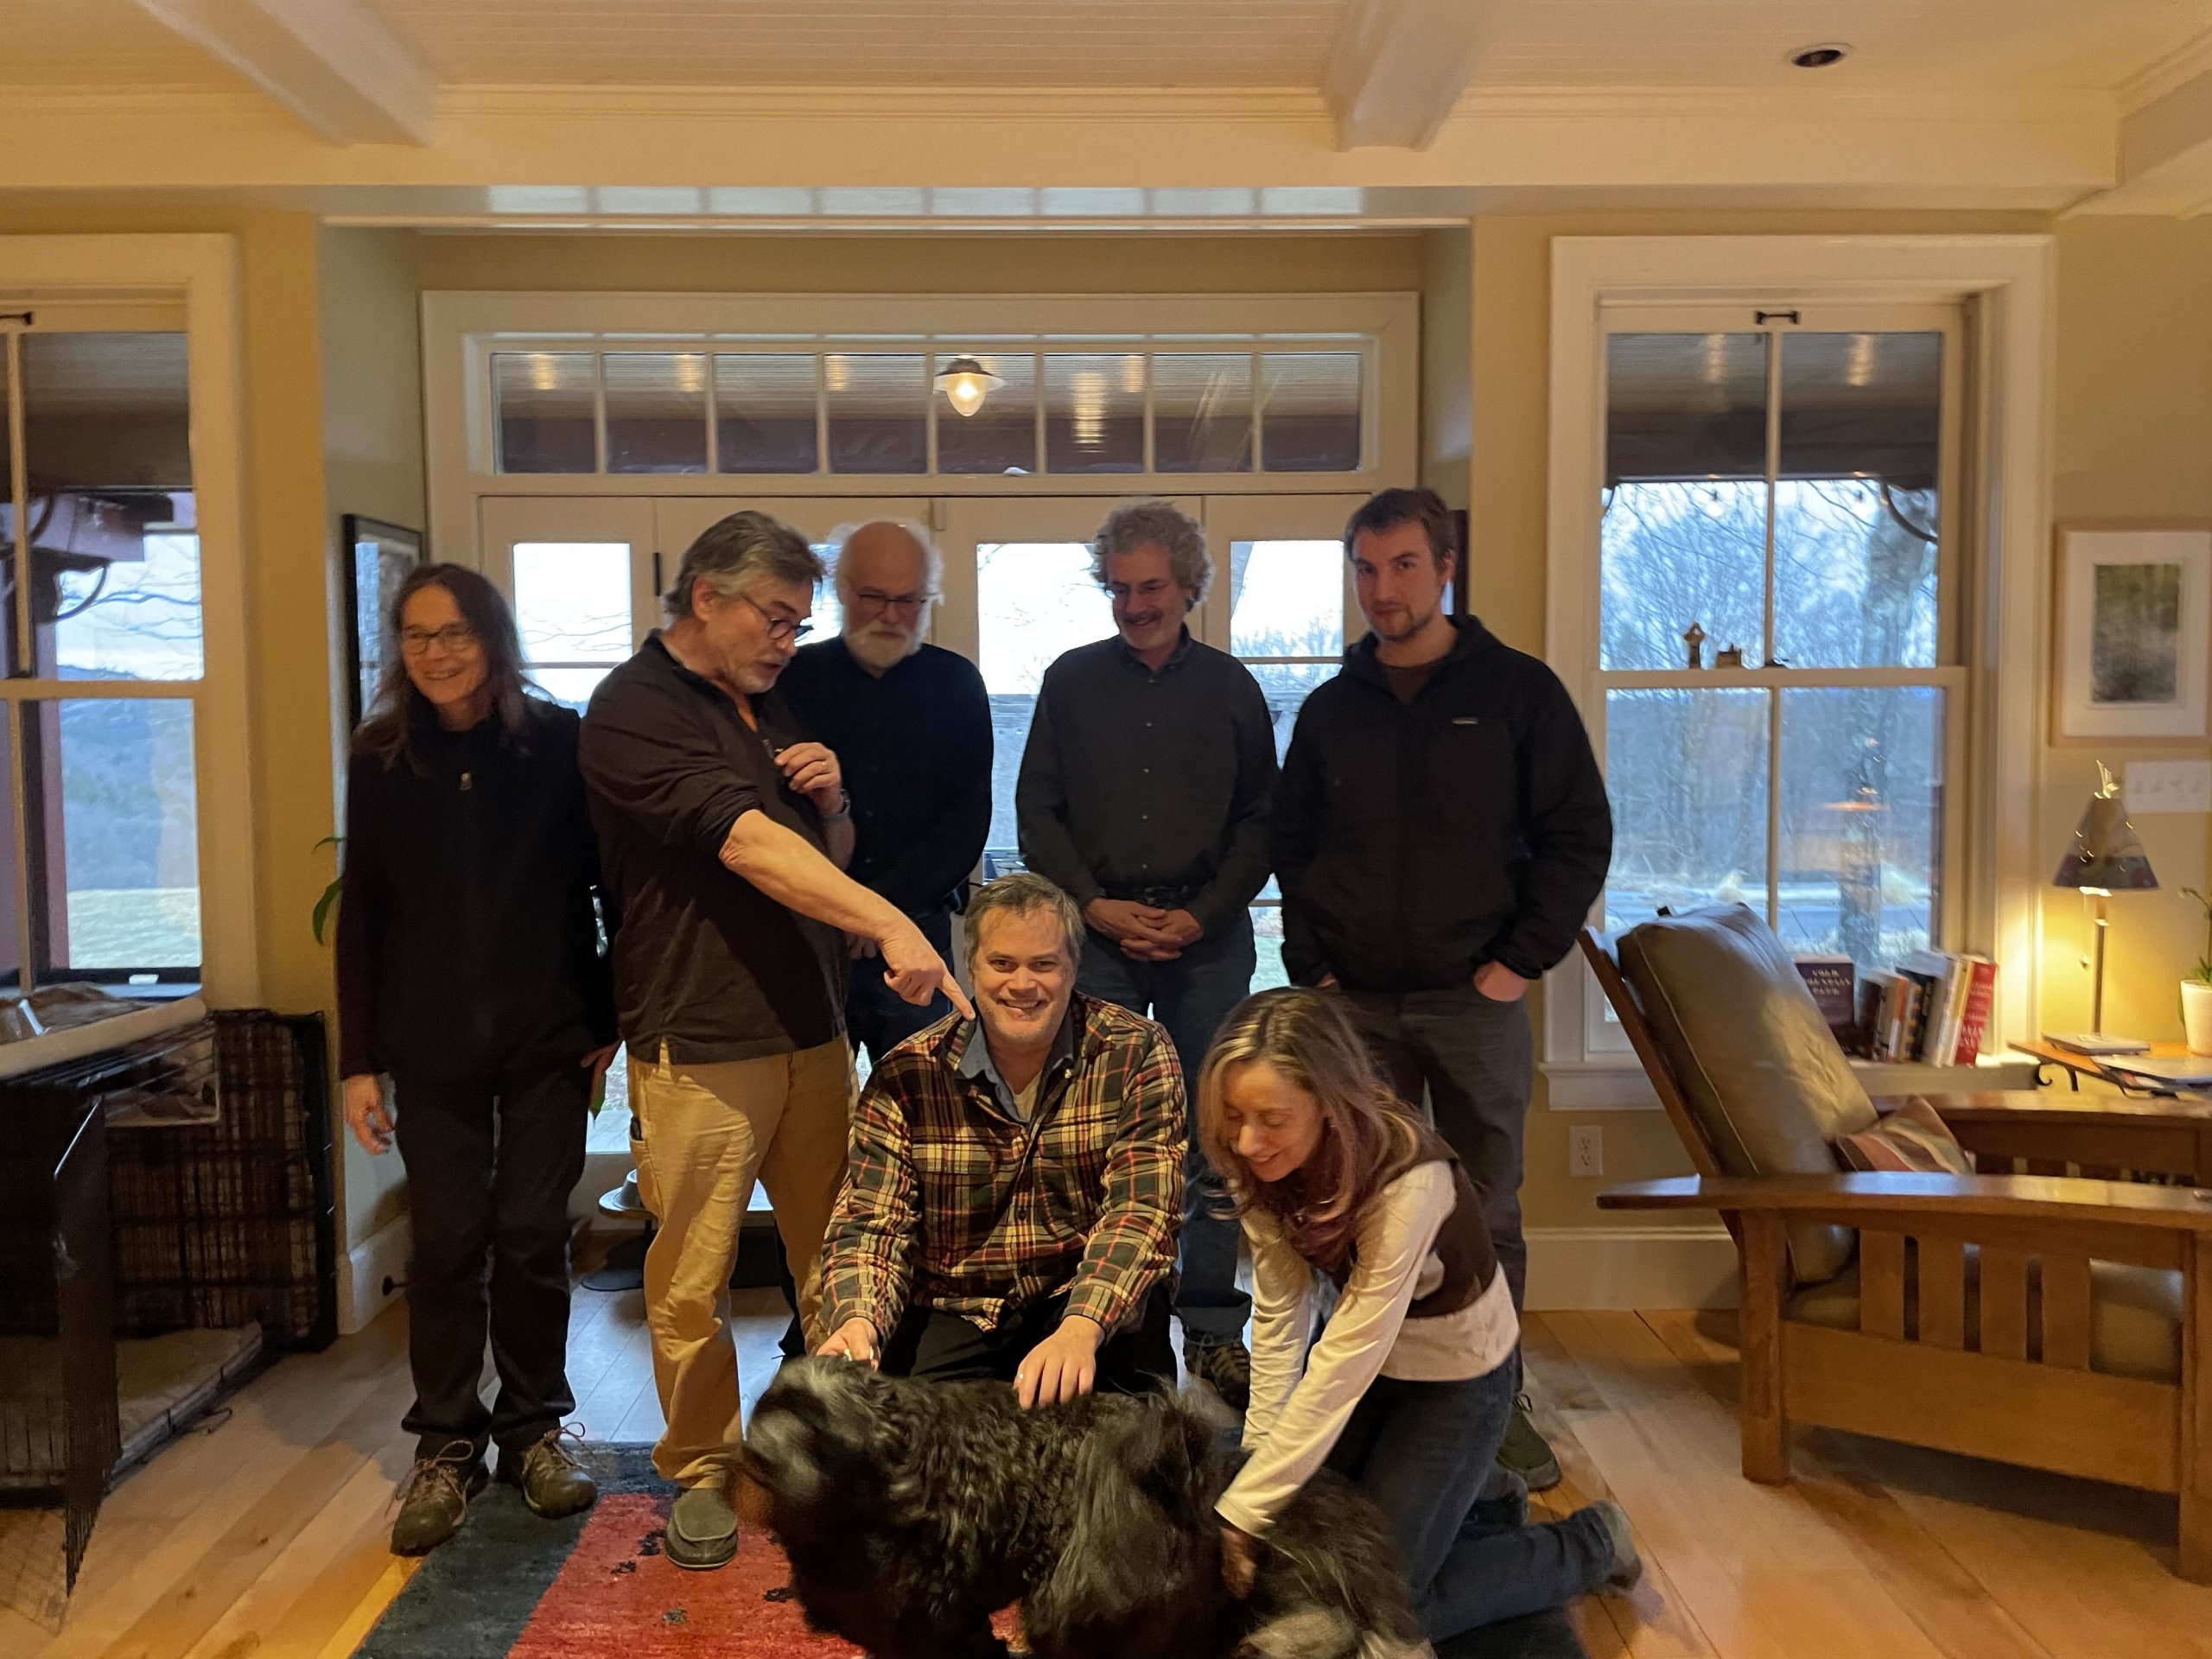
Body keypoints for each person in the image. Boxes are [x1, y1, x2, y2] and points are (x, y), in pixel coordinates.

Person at [579, 510, 970, 1572]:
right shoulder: (633, 708)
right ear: (706, 596)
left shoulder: (763, 706)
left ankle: (838, 1450)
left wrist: (835, 802)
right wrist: (891, 922)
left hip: (811, 1032)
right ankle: (703, 1467)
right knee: (692, 1278)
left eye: (799, 623)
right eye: (777, 617)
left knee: (840, 1260)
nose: (789, 641)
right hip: (698, 1040)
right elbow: (746, 845)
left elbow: (816, 848)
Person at [1272, 486, 1611, 1491]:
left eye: (1404, 566)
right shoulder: (1331, 711)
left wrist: (1518, 963)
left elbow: (1578, 834)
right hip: (1353, 1007)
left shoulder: (1518, 693)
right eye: (1366, 570)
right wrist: (1312, 966)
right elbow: (1293, 845)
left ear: (1445, 568)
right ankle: (1370, 1395)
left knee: (1483, 1209)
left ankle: (1492, 1403)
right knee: (1357, 1203)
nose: (1383, 589)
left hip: (1474, 1002)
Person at [1201, 988, 1640, 1641]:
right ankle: (1481, 1495)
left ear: (1327, 1103)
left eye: (1271, 1118)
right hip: (1374, 1373)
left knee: (1386, 1608)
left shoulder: (1410, 1178)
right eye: (1234, 1116)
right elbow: (1282, 1315)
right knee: (1302, 1550)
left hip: (1458, 1380)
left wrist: (1243, 1510)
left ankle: (1591, 1542)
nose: (1247, 1140)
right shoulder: (1257, 1161)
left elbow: (1345, 1364)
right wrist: (1256, 1468)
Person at [336, 563, 614, 1556]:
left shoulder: (559, 744)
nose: (436, 653)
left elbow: (610, 885)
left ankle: (533, 1432)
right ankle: (446, 1445)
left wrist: (607, 1017)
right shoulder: (381, 759)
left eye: (454, 632)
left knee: (533, 1233)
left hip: (548, 1039)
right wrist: (358, 1063)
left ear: (492, 640)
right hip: (429, 1046)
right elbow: (362, 911)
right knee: (448, 1241)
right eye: (417, 636)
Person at [1014, 499, 1274, 1408]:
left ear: (1188, 585)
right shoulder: (1070, 681)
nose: (1134, 604)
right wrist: (1093, 904)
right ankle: (1113, 1327)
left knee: (1217, 1137)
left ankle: (1211, 1328)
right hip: (1098, 944)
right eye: (1119, 588)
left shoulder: (1233, 688)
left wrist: (1201, 915)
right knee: (1100, 1139)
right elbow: (1036, 812)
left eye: (1151, 586)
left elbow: (1263, 822)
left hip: (1207, 944)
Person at [815, 871, 1181, 1406]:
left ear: (1073, 967)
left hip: (1079, 1292)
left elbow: (1142, 1210)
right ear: (971, 967)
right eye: (1002, 964)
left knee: (1139, 1429)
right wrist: (859, 1320)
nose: (1022, 984)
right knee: (894, 1431)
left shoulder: (1136, 1051)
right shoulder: (907, 1072)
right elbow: (872, 1221)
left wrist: (1083, 1326)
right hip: (954, 1302)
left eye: (1043, 964)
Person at [778, 519, 992, 1064]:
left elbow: (965, 825)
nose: (891, 615)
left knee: (924, 1097)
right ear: (842, 591)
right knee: (811, 1100)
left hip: (917, 929)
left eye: (908, 600)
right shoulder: (789, 679)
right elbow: (773, 814)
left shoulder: (957, 683)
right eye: (874, 597)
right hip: (810, 931)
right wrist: (849, 910)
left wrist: (880, 914)